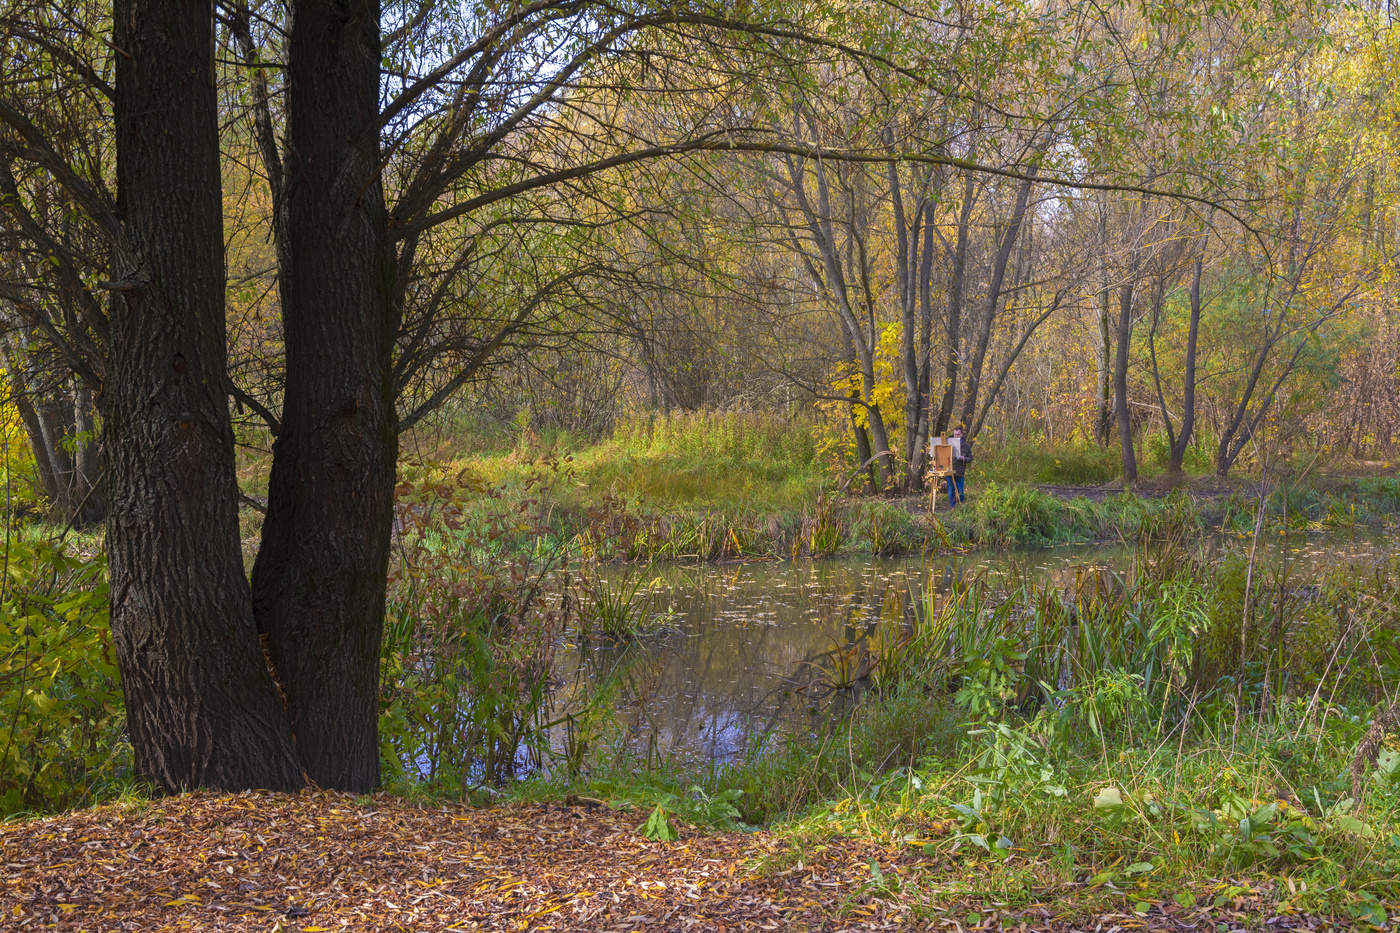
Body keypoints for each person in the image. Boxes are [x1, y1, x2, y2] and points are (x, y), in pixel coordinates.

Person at [948, 424, 972, 507]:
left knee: (961, 492)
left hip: (960, 472)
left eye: (958, 434)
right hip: (949, 471)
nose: (956, 436)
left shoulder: (966, 446)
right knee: (951, 491)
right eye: (955, 434)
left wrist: (964, 458)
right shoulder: (948, 444)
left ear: (961, 434)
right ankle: (952, 507)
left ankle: (960, 507)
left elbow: (970, 458)